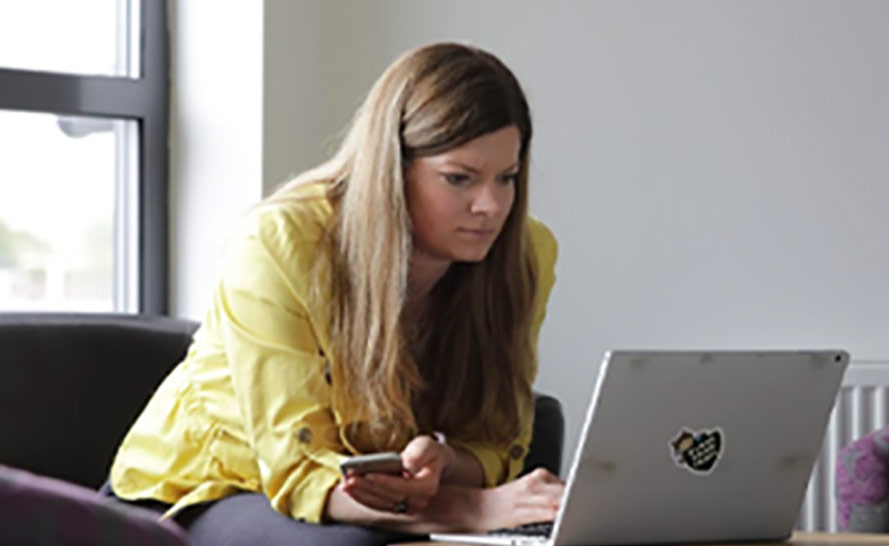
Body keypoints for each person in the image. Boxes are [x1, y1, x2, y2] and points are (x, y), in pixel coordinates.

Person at [104, 41, 564, 546]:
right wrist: (468, 507)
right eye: (459, 178)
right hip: (194, 493)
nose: (490, 206)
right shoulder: (279, 242)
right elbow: (299, 473)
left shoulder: (525, 253)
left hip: (365, 499)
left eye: (508, 178)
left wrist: (447, 463)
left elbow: (504, 440)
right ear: (391, 169)